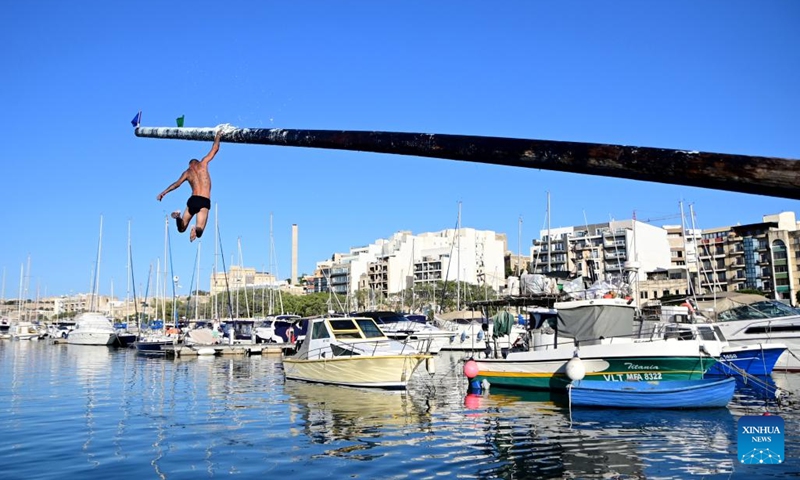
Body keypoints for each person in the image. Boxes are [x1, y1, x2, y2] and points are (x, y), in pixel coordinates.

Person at [157, 130, 222, 241]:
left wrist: (164, 192)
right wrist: (218, 135)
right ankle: (194, 229)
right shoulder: (203, 163)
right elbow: (215, 148)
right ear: (196, 162)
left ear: (190, 165)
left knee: (181, 228)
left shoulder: (187, 172)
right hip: (204, 200)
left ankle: (178, 216)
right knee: (200, 231)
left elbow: (176, 184)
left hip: (193, 200)